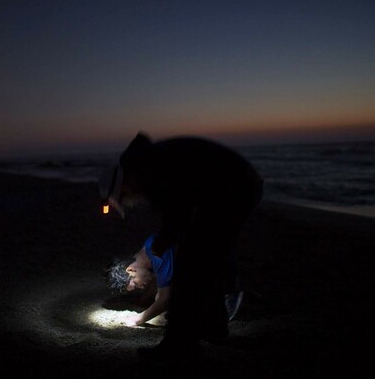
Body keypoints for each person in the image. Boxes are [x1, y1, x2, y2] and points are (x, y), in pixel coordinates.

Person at [99, 132, 263, 362]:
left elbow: (179, 204)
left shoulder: (153, 168)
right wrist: (169, 235)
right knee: (203, 258)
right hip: (233, 186)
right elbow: (178, 206)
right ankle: (213, 328)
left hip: (234, 188)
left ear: (125, 184)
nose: (130, 201)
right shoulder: (149, 163)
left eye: (125, 197)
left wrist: (167, 237)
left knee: (192, 262)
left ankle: (180, 346)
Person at [105, 234, 245, 327]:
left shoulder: (157, 252)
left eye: (135, 283)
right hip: (212, 267)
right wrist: (144, 300)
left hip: (222, 282)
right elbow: (158, 280)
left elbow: (165, 299)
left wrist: (138, 319)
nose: (140, 286)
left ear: (130, 270)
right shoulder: (149, 247)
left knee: (176, 315)